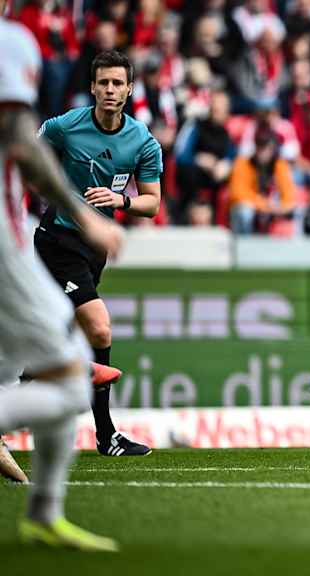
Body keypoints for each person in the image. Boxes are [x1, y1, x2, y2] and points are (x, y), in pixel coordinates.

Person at [0, 10, 120, 549]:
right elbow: (22, 140)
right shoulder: (11, 41)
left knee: (43, 370)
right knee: (71, 380)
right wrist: (84, 211)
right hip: (5, 234)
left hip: (15, 230)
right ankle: (44, 512)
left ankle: (44, 513)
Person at [33, 50, 163, 457]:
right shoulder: (63, 128)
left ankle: (99, 432)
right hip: (57, 239)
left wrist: (119, 201)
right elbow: (28, 159)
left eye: (117, 83)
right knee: (100, 328)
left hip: (95, 249)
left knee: (51, 336)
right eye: (103, 83)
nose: (109, 90)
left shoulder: (142, 141)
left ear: (129, 89)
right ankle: (106, 435)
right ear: (92, 87)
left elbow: (152, 203)